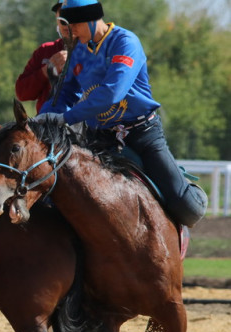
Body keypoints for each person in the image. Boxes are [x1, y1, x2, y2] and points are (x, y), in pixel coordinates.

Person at [40, 0, 207, 228]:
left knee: (188, 211)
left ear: (90, 19)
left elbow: (112, 93)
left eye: (74, 25)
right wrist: (42, 121)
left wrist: (65, 119)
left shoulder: (125, 42)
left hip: (143, 135)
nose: (71, 32)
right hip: (100, 139)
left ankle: (185, 186)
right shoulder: (78, 51)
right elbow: (65, 94)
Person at [15, 2, 70, 113]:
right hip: (46, 123)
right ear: (57, 20)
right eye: (63, 18)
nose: (67, 23)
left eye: (73, 16)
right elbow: (22, 93)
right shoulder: (45, 50)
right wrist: (46, 71)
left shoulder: (96, 49)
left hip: (84, 123)